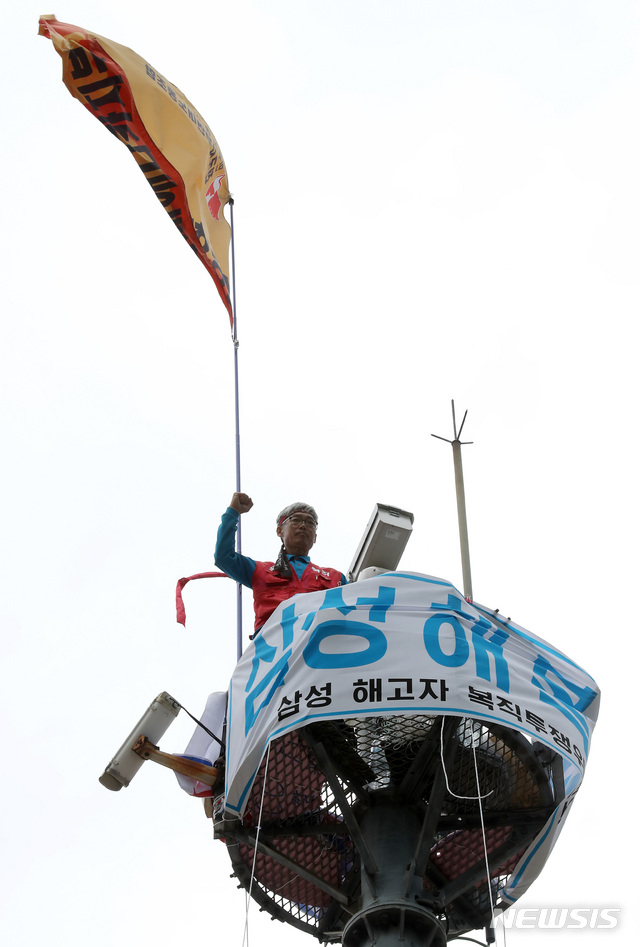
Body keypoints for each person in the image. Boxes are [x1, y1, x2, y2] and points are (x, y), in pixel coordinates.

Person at [215, 491, 347, 633]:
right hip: (275, 647)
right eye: (296, 520)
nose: (303, 526)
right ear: (279, 531)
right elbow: (224, 557)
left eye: (310, 523)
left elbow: (357, 609)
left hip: (319, 646)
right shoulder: (260, 570)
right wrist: (233, 512)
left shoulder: (335, 578)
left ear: (315, 537)